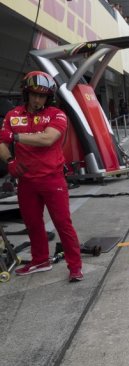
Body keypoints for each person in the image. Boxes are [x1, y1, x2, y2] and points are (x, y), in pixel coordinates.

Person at [0, 71, 84, 282]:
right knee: (33, 223)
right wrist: (9, 160)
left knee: (63, 224)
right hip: (26, 181)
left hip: (52, 179)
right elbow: (1, 142)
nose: (37, 99)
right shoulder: (12, 115)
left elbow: (48, 139)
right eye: (34, 94)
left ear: (49, 97)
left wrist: (15, 136)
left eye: (42, 96)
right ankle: (40, 260)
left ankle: (75, 266)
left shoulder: (57, 114)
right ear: (26, 93)